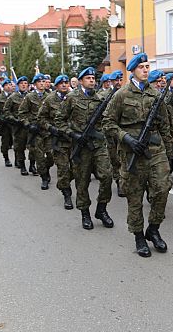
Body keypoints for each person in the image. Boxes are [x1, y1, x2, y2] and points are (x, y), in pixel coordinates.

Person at [103, 53, 173, 257]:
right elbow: (107, 123)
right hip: (131, 152)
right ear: (133, 70)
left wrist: (169, 151)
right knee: (135, 196)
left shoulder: (155, 94)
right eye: (141, 66)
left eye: (147, 66)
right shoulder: (122, 95)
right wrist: (126, 138)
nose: (145, 70)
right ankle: (138, 236)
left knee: (162, 189)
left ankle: (153, 229)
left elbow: (164, 124)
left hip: (155, 150)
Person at [55, 67, 114, 230]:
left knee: (107, 176)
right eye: (88, 78)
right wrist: (72, 135)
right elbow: (59, 120)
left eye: (93, 78)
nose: (92, 81)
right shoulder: (71, 98)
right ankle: (85, 213)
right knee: (82, 181)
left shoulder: (100, 98)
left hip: (98, 145)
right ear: (81, 81)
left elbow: (106, 119)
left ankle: (102, 209)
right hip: (81, 147)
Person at [37, 74, 74, 209]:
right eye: (61, 83)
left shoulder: (74, 97)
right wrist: (50, 128)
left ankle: (64, 183)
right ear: (56, 86)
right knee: (63, 168)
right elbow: (41, 118)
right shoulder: (50, 99)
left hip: (74, 139)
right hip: (58, 140)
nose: (64, 85)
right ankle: (67, 194)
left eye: (66, 82)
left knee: (76, 169)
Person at [19, 73, 53, 188]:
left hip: (48, 131)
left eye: (44, 81)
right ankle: (44, 177)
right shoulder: (29, 97)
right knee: (39, 156)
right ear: (35, 84)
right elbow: (22, 113)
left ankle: (46, 169)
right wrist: (28, 125)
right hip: (36, 131)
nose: (42, 84)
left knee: (51, 156)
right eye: (40, 82)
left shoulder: (50, 96)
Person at [4, 76, 33, 175]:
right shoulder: (12, 97)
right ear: (18, 85)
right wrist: (15, 120)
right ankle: (22, 166)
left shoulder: (31, 96)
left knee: (33, 147)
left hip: (30, 126)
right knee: (20, 147)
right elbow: (6, 111)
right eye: (21, 83)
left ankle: (32, 165)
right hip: (19, 127)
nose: (24, 85)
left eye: (25, 83)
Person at [105, 70, 124, 197]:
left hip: (123, 131)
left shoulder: (125, 94)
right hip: (110, 133)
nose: (118, 82)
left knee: (124, 158)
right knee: (115, 159)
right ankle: (118, 182)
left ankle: (124, 181)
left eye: (120, 80)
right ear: (111, 82)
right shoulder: (104, 95)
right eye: (116, 80)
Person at [0, 79, 15, 166]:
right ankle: (6, 158)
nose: (9, 86)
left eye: (10, 84)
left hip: (13, 123)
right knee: (5, 142)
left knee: (16, 142)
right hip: (4, 123)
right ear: (3, 86)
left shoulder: (15, 96)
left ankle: (18, 160)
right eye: (6, 85)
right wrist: (0, 117)